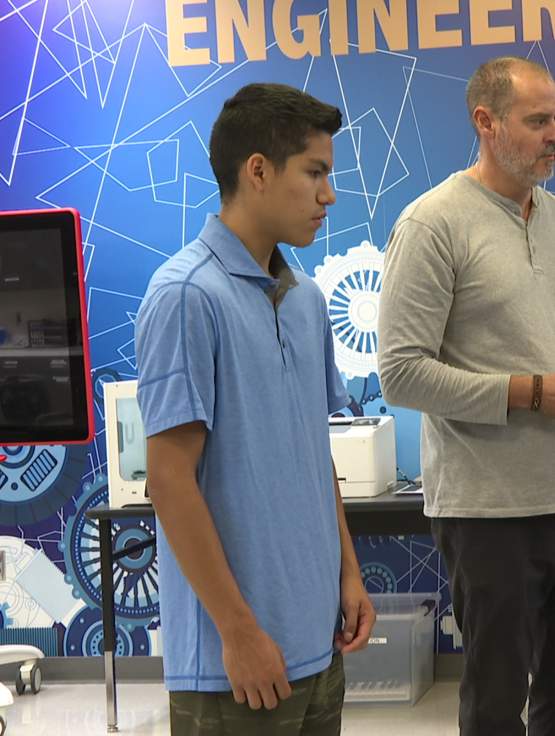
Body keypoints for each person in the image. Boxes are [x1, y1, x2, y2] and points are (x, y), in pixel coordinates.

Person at [377, 56, 555, 736]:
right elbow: (401, 374)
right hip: (487, 509)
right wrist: (532, 394)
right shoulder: (432, 224)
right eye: (538, 121)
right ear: (486, 123)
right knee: (496, 709)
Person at [136, 82, 375, 736]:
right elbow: (169, 481)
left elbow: (311, 455)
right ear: (259, 171)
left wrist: (347, 574)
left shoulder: (307, 300)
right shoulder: (186, 296)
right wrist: (239, 631)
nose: (329, 194)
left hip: (317, 644)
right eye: (316, 173)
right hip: (233, 664)